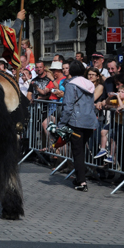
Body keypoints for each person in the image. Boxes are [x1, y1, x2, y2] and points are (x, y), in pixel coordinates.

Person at [58, 60, 97, 191]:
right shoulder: (90, 84)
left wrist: (62, 123)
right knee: (80, 151)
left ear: (71, 71)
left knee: (78, 152)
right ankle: (79, 177)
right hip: (90, 121)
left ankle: (82, 182)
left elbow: (68, 106)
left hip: (77, 121)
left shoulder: (71, 84)